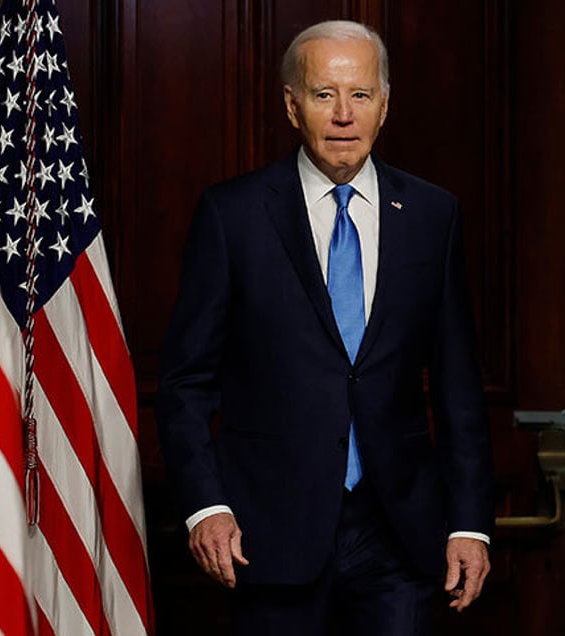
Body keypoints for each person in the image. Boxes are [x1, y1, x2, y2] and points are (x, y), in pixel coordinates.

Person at [155, 19, 495, 635]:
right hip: (267, 532)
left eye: (360, 95)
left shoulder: (431, 214)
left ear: (384, 106)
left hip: (399, 531)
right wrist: (207, 506)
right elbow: (185, 382)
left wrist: (469, 523)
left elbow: (458, 387)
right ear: (292, 106)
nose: (344, 115)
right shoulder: (233, 216)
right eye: (323, 95)